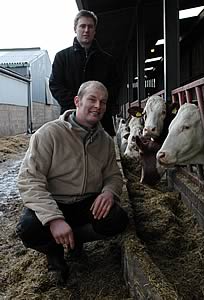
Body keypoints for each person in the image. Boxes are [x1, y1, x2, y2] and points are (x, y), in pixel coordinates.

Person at [16, 81, 129, 285]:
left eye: (103, 102)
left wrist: (109, 192)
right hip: (54, 201)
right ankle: (54, 252)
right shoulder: (49, 134)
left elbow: (113, 174)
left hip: (86, 202)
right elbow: (29, 179)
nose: (98, 106)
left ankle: (72, 240)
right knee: (28, 228)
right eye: (92, 99)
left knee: (117, 219)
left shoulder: (104, 140)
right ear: (77, 101)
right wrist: (53, 219)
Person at [49, 9, 120, 136]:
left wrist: (96, 107)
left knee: (101, 154)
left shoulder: (108, 60)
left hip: (101, 122)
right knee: (69, 155)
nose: (86, 30)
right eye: (82, 26)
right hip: (70, 121)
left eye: (90, 26)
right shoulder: (62, 57)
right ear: (75, 28)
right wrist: (80, 106)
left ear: (95, 30)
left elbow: (114, 89)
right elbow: (55, 85)